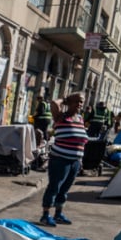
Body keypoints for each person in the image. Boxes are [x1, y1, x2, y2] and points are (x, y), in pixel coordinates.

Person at [40, 92, 88, 227]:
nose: (80, 104)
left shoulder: (80, 118)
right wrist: (65, 100)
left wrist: (80, 160)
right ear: (69, 102)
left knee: (65, 189)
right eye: (77, 101)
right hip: (60, 159)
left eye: (81, 102)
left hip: (75, 161)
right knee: (54, 187)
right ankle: (45, 215)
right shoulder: (61, 117)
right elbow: (54, 103)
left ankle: (58, 214)